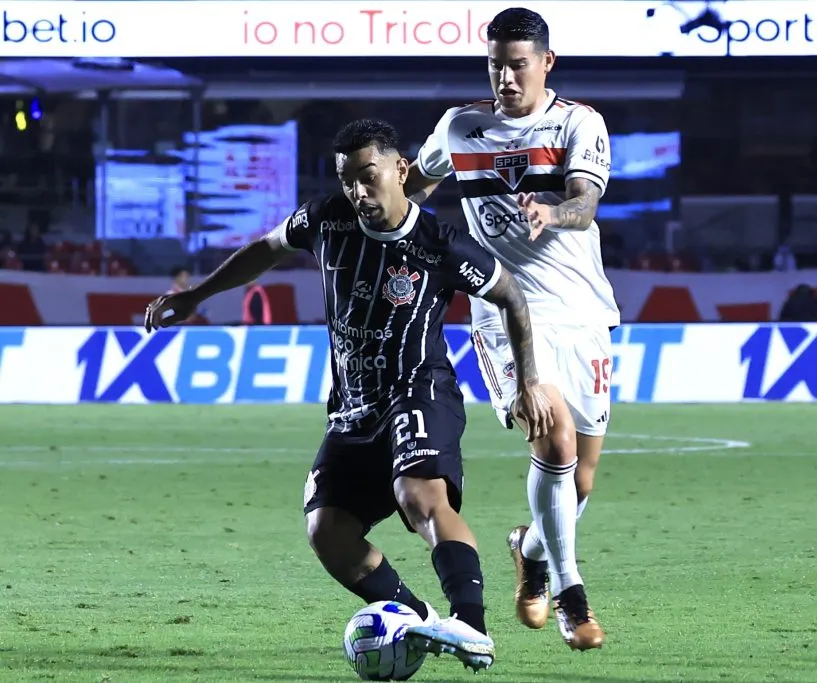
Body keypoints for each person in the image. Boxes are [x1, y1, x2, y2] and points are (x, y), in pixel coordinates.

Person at [144, 118, 557, 672]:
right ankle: (414, 619)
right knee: (327, 529)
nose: (359, 192)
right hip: (353, 408)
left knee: (419, 495)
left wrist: (527, 378)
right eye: (348, 181)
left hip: (421, 389)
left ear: (400, 169)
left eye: (368, 176)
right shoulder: (326, 220)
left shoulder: (439, 244)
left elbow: (511, 296)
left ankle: (471, 625)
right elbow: (263, 249)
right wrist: (196, 294)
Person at [403, 6, 616, 650]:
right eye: (495, 65)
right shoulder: (461, 128)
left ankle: (531, 549)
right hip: (504, 313)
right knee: (551, 441)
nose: (505, 78)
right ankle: (573, 596)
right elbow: (412, 186)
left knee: (579, 481)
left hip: (583, 314)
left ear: (545, 63)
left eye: (517, 65)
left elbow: (585, 199)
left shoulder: (580, 122)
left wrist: (553, 210)